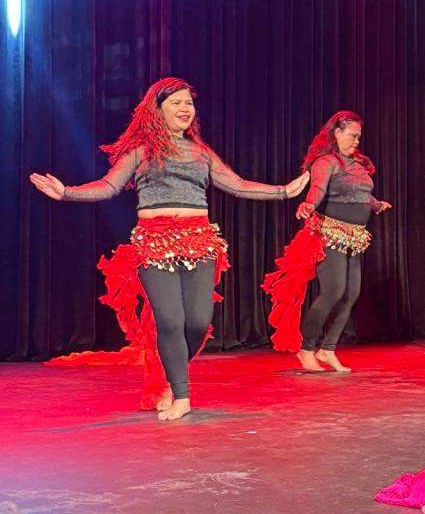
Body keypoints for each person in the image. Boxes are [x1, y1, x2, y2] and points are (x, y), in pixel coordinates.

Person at [30, 77, 308, 420]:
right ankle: (181, 394)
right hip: (154, 242)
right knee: (171, 320)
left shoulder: (200, 152)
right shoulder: (141, 150)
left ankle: (168, 373)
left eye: (189, 103)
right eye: (176, 102)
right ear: (157, 109)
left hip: (199, 240)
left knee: (198, 322)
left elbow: (237, 184)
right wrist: (67, 192)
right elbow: (108, 185)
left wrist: (284, 191)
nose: (185, 108)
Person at [262, 111, 391, 372]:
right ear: (337, 133)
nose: (356, 141)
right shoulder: (326, 161)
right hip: (330, 234)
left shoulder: (357, 164)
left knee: (351, 293)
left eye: (359, 137)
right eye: (352, 135)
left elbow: (362, 194)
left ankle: (328, 349)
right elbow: (318, 188)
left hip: (355, 237)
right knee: (333, 291)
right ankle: (306, 348)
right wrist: (309, 204)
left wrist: (378, 205)